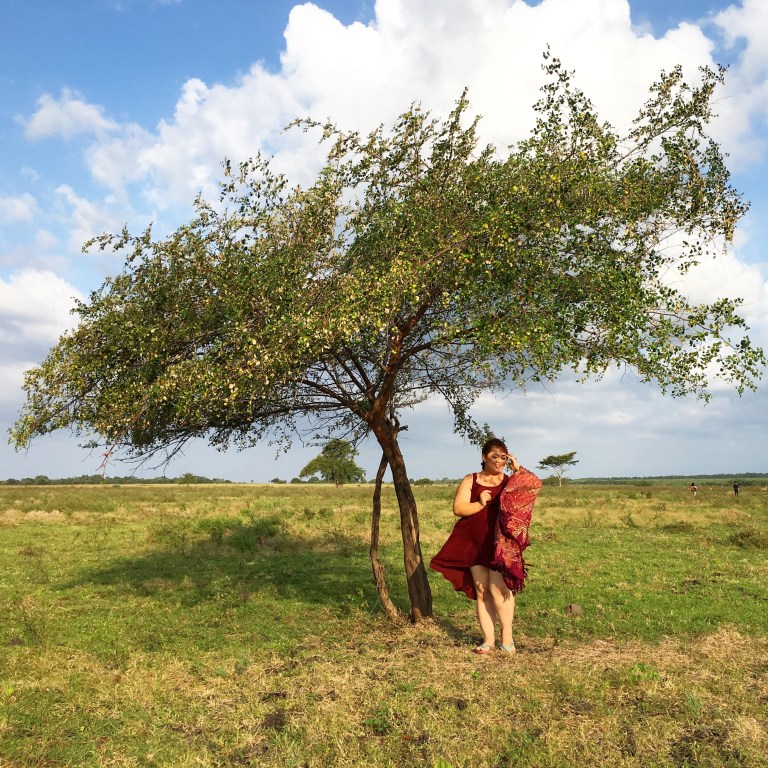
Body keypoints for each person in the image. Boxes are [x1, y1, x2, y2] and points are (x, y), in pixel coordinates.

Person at [430, 438, 540, 655]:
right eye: (494, 456)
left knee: (499, 589)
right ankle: (488, 640)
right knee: (482, 591)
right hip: (474, 541)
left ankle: (507, 638)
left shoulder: (510, 481)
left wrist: (518, 469)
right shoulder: (471, 479)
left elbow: (533, 486)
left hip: (500, 544)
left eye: (503, 457)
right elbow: (458, 508)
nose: (499, 461)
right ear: (484, 457)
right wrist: (480, 503)